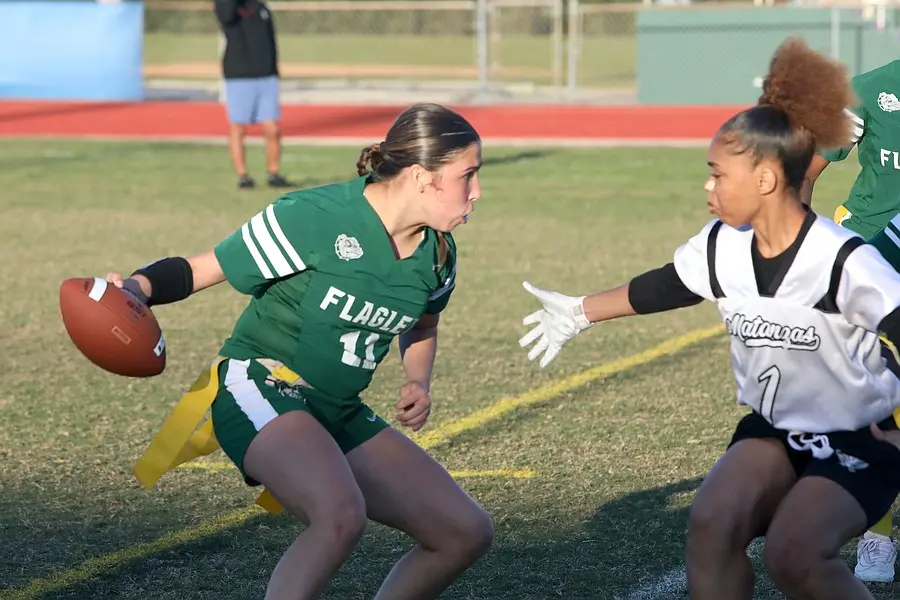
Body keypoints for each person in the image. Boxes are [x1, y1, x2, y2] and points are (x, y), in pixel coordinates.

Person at [518, 38, 900, 600]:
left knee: (795, 556)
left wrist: (892, 433)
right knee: (712, 523)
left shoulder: (846, 261)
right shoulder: (723, 243)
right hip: (777, 430)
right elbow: (671, 285)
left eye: (718, 174)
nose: (707, 186)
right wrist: (579, 312)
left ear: (766, 180)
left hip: (859, 440)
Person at [107, 102, 493, 600]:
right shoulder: (315, 217)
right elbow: (205, 267)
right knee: (339, 514)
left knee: (463, 532)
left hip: (337, 410)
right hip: (259, 383)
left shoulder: (437, 252)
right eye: (469, 175)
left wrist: (417, 379)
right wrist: (136, 288)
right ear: (422, 176)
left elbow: (423, 325)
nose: (477, 191)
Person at [801, 59, 900, 582]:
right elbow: (807, 174)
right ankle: (878, 537)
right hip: (869, 257)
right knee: (872, 393)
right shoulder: (869, 89)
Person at [215, 0, 294, 190]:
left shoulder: (261, 7)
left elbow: (270, 40)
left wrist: (274, 70)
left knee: (272, 128)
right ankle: (243, 176)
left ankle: (273, 173)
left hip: (266, 76)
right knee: (239, 127)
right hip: (239, 76)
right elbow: (225, 16)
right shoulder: (228, 5)